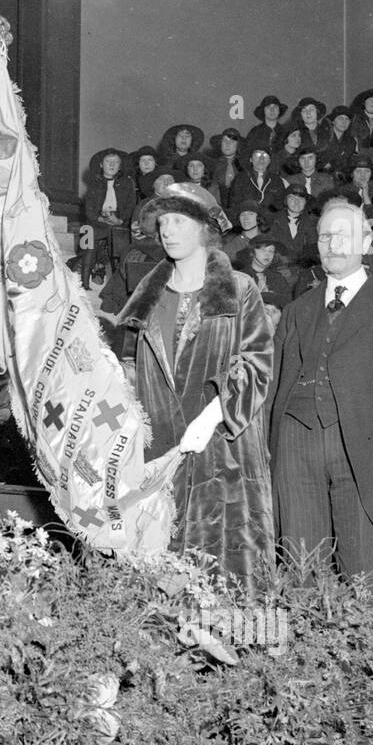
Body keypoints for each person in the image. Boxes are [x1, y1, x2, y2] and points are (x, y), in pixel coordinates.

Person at [116, 184, 275, 584]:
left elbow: (256, 365)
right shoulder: (147, 295)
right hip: (161, 451)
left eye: (179, 221)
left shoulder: (239, 289)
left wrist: (214, 412)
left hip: (222, 451)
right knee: (159, 574)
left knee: (222, 570)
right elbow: (130, 368)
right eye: (163, 221)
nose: (167, 230)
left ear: (204, 227)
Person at [268, 199, 373, 591]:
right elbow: (272, 386)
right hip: (295, 444)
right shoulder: (296, 310)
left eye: (342, 235)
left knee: (362, 570)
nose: (332, 244)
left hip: (363, 449)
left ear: (365, 241)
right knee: (300, 568)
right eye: (325, 236)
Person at [78, 147, 135, 290]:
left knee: (118, 249)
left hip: (118, 222)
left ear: (120, 166)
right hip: (97, 221)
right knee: (88, 238)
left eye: (116, 162)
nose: (112, 164)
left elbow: (130, 205)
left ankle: (116, 286)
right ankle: (84, 282)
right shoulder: (95, 183)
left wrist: (120, 220)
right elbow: (89, 209)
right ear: (101, 165)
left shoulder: (127, 184)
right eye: (108, 161)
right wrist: (100, 219)